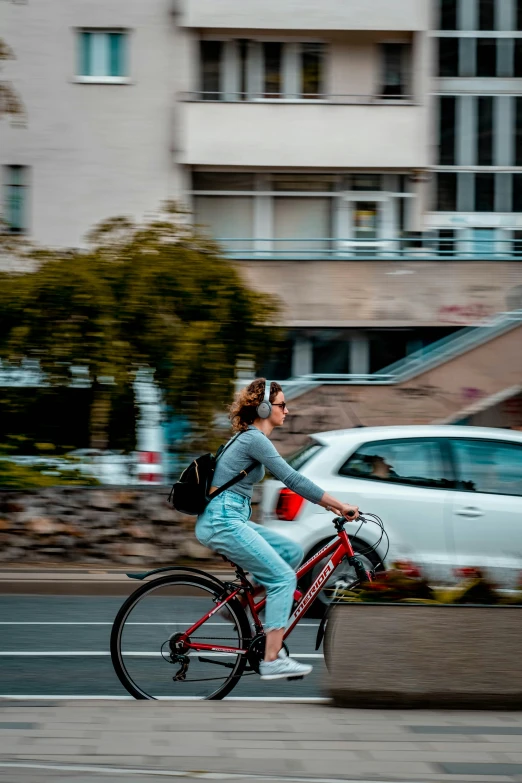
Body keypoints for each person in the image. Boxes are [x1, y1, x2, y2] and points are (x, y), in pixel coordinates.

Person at [195, 378, 360, 681]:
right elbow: (293, 479)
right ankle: (272, 659)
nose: (287, 410)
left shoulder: (249, 438)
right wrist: (338, 505)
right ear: (264, 407)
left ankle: (238, 603)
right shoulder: (254, 439)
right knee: (283, 579)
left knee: (290, 551)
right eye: (282, 405)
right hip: (223, 521)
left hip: (230, 518)